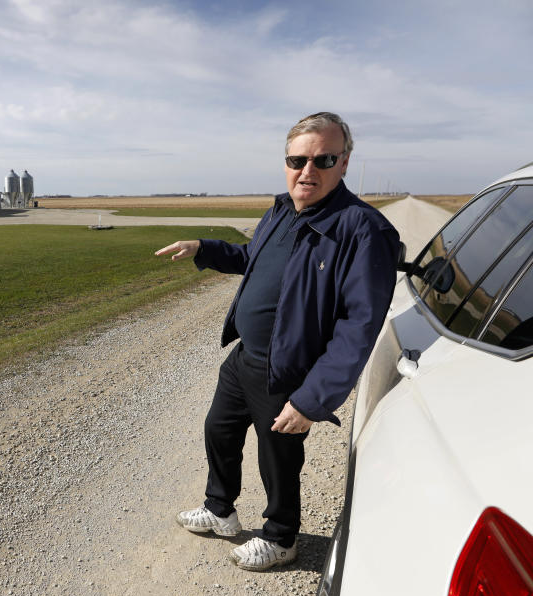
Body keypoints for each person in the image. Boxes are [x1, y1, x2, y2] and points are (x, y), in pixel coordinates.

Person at [155, 112, 400, 571]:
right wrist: (204, 248)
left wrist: (312, 399)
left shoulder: (362, 229)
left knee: (278, 458)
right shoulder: (280, 210)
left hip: (289, 369)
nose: (307, 171)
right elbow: (252, 259)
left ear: (344, 162)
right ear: (285, 162)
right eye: (297, 159)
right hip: (246, 356)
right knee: (219, 432)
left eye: (323, 159)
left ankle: (281, 536)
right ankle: (220, 509)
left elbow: (358, 325)